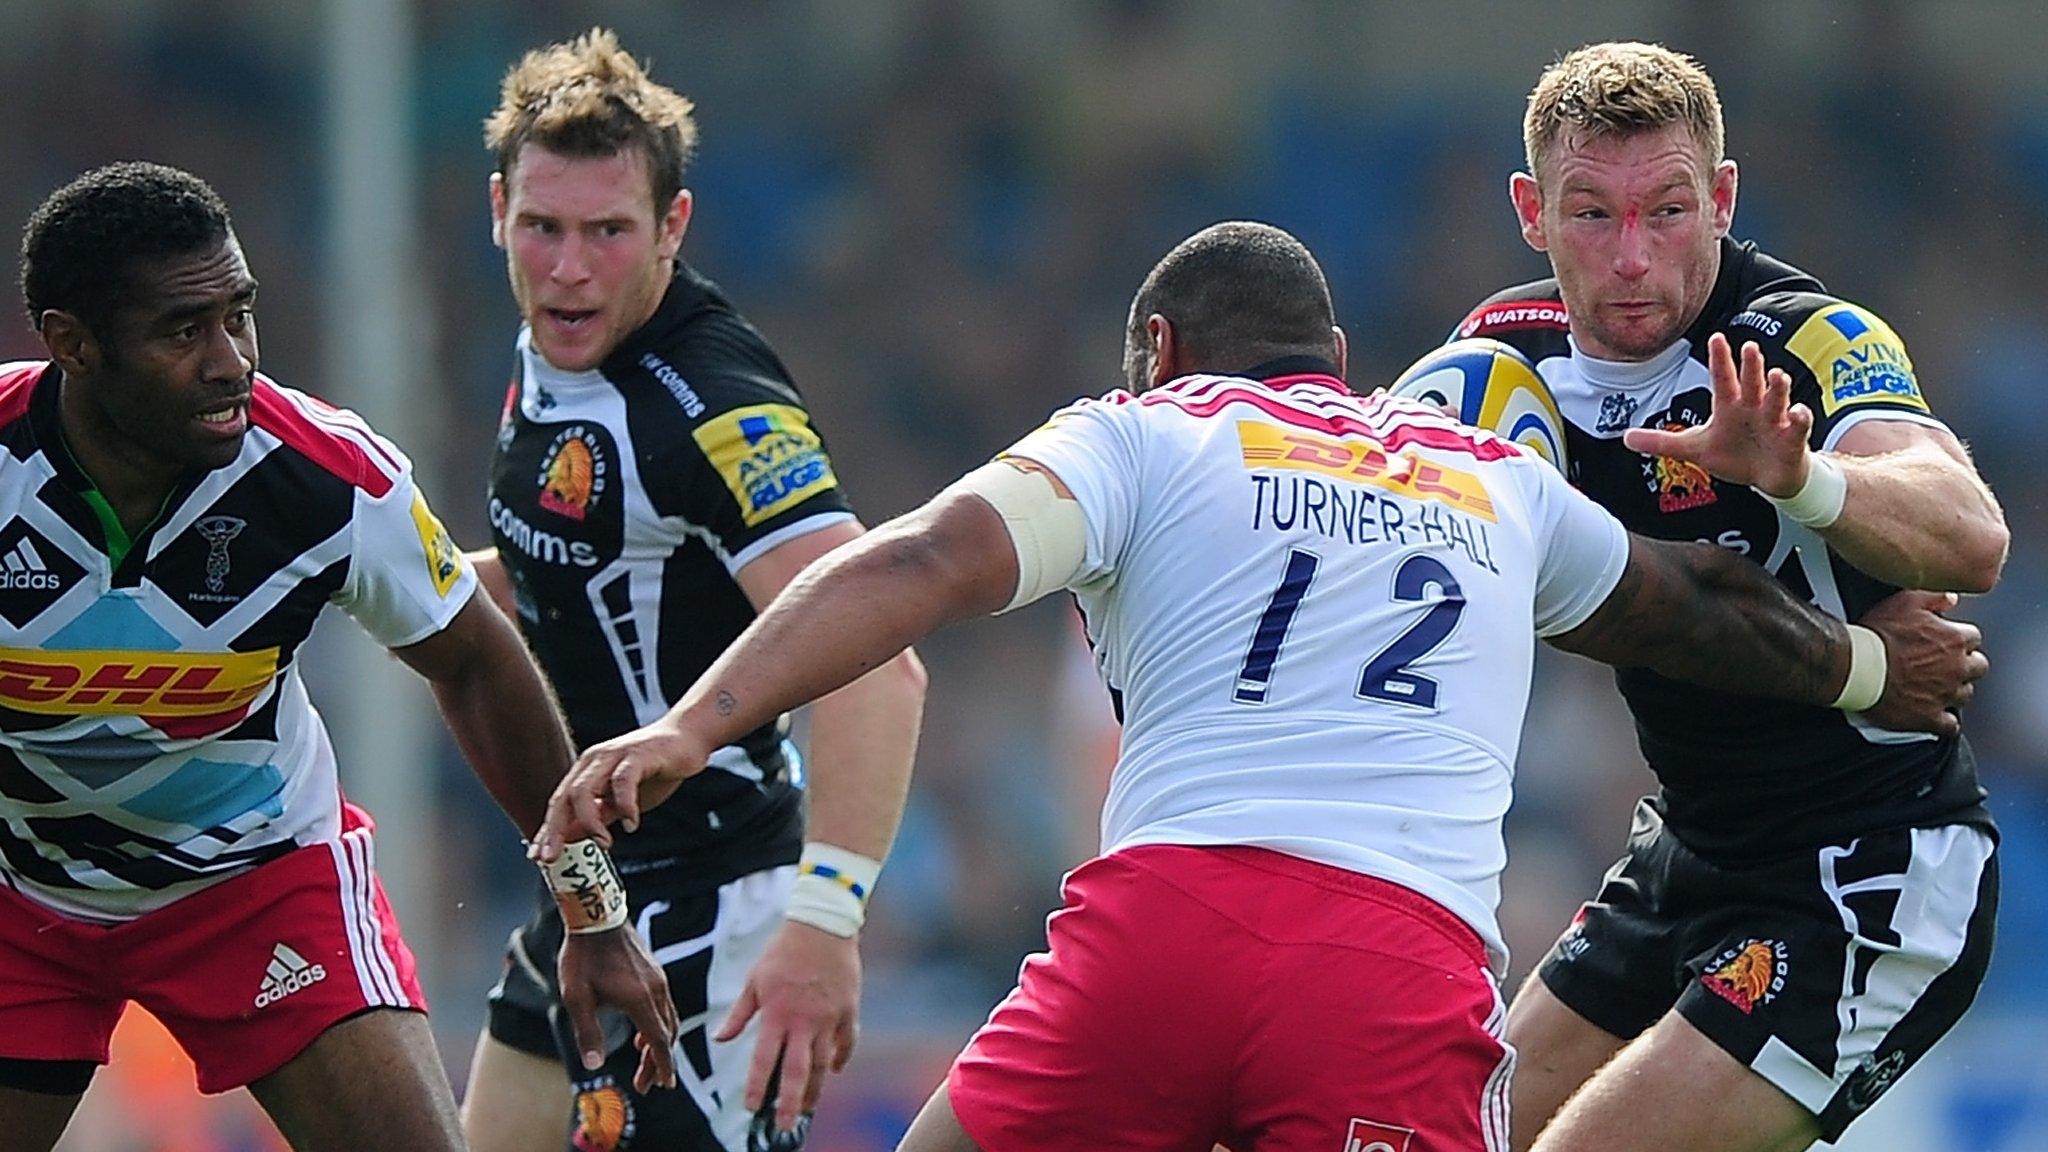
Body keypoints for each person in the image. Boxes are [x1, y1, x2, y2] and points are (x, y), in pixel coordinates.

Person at [531, 221, 1983, 1152]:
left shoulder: (1146, 432)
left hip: (1159, 938)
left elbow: (920, 562)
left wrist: (691, 719)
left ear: (1159, 352)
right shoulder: (1482, 472)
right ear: (1347, 367)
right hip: (1397, 971)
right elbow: (1694, 611)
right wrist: (1865, 662)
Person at [0, 162, 677, 1152]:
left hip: (255, 885)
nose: (231, 361)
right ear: (73, 346)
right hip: (19, 898)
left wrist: (591, 911)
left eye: (240, 314)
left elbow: (479, 666)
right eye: (183, 332)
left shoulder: (328, 478)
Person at [1438, 41, 2009, 1152]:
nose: (1631, 260)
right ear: (1529, 213)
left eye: (1665, 211)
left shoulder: (1798, 339)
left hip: (1866, 876)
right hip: (1685, 856)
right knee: (1449, 1135)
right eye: (1590, 216)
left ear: (1722, 199)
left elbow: (1969, 530)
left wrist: (1803, 477)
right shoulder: (1503, 358)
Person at [456, 29, 929, 1152]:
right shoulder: (554, 349)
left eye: (608, 232)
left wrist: (824, 926)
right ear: (497, 212)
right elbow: (569, 576)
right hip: (585, 900)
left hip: (713, 920)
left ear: (671, 226)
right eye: (544, 228)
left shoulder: (710, 411)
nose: (568, 266)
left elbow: (882, 663)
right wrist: (385, 581)